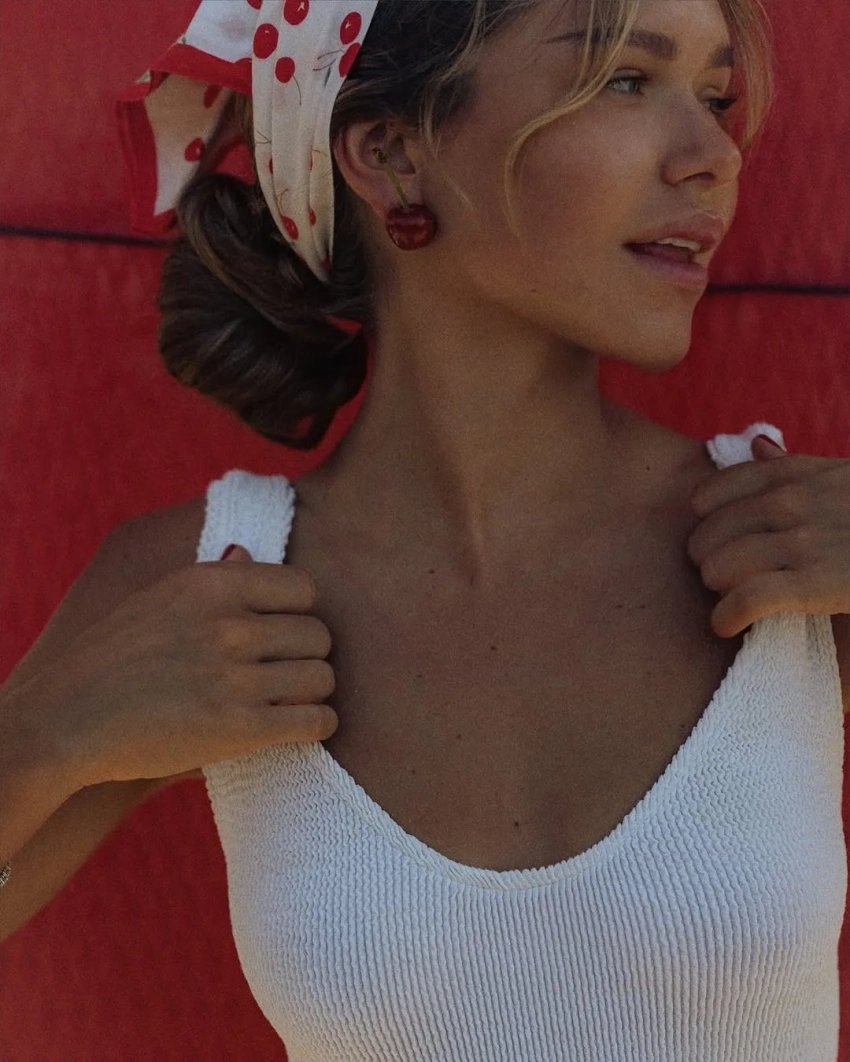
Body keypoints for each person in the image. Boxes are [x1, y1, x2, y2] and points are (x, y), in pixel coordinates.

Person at [2, 0, 846, 1058]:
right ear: (393, 155)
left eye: (715, 97)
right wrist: (43, 734)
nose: (715, 155)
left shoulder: (794, 545)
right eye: (625, 81)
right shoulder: (209, 583)